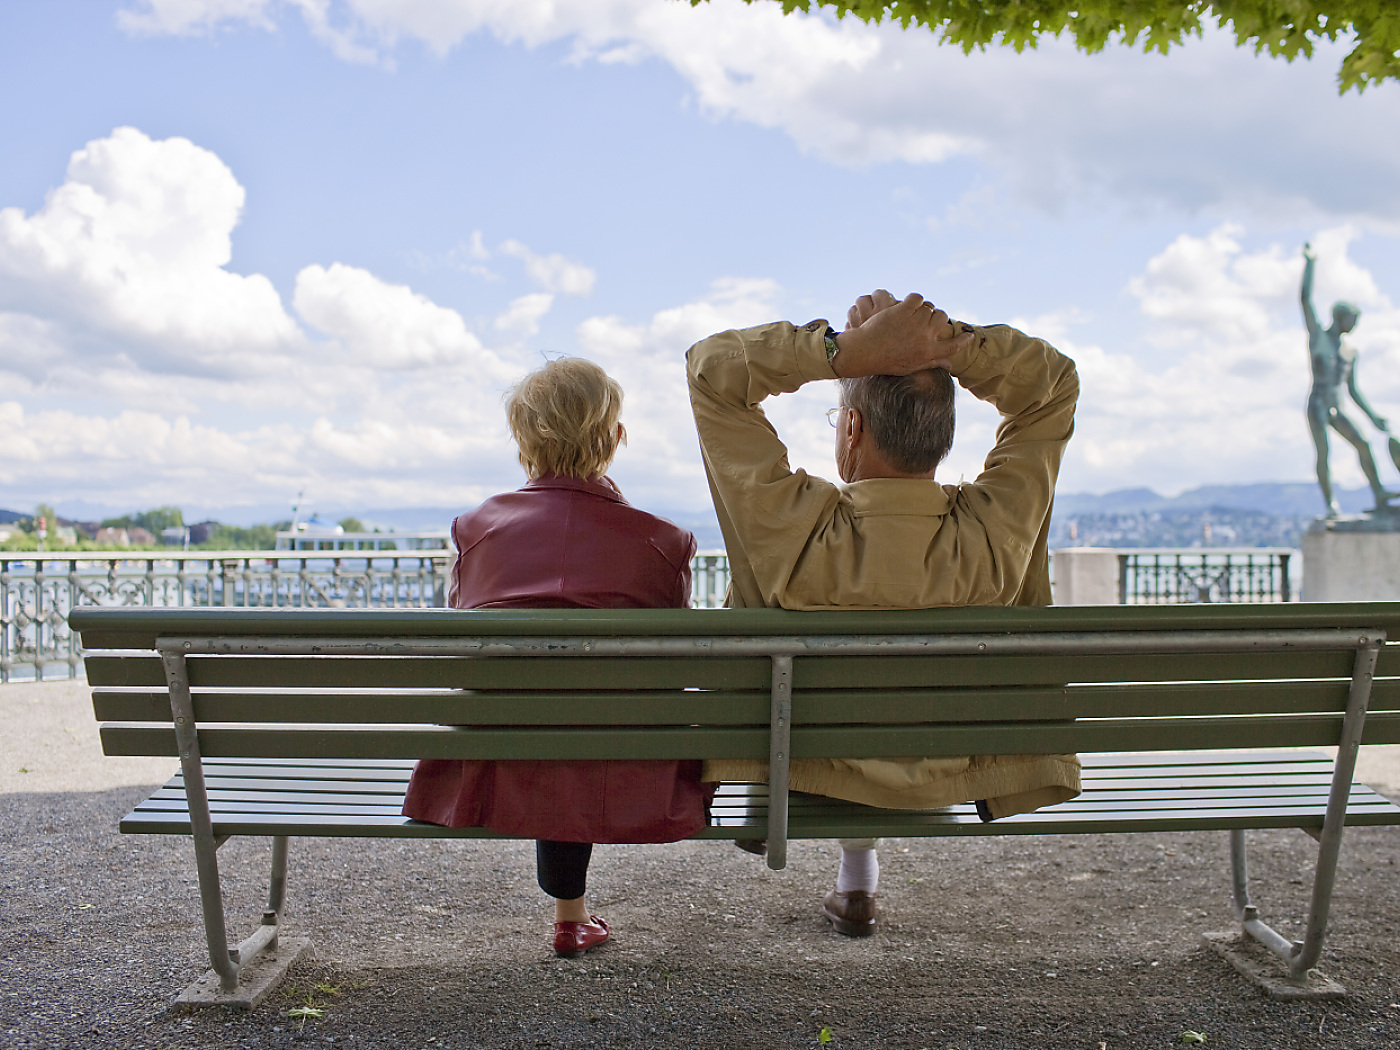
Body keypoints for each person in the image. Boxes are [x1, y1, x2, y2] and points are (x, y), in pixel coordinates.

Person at [686, 289, 1081, 937]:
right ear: (942, 436)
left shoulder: (793, 530)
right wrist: (949, 342)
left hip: (801, 761)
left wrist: (844, 353)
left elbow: (710, 370)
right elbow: (1052, 384)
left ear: (851, 430)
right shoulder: (990, 535)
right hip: (943, 769)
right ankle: (858, 881)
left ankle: (829, 847)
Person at [402, 357, 705, 958]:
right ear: (615, 437)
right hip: (625, 761)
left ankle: (572, 914)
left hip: (500, 757)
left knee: (546, 719)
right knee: (584, 724)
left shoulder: (475, 528)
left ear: (523, 438)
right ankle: (572, 917)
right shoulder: (664, 542)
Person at [1300, 242, 1396, 517]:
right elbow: (1305, 299)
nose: (1354, 325)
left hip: (1338, 405)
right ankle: (1330, 504)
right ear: (1341, 317)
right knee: (1324, 454)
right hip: (1318, 403)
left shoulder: (1350, 351)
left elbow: (1353, 389)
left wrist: (1373, 416)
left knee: (1363, 444)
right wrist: (1311, 263)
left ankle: (1379, 494)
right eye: (1352, 319)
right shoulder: (1319, 338)